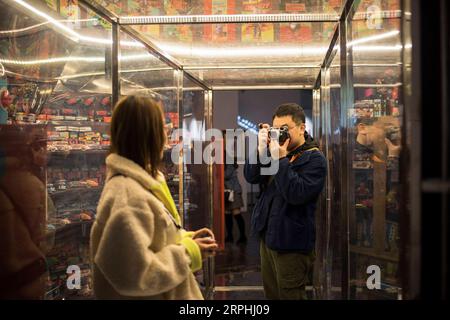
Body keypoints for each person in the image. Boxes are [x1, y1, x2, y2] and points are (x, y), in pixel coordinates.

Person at [90, 95, 218, 300]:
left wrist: (185, 239)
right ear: (151, 136)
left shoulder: (137, 185)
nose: (167, 133)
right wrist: (188, 252)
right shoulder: (129, 196)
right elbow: (133, 275)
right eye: (162, 127)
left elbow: (149, 242)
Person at [244, 103, 327, 300]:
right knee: (272, 294)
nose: (280, 135)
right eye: (276, 129)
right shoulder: (276, 152)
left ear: (301, 128)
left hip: (292, 243)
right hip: (269, 237)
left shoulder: (315, 159)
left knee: (290, 295)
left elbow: (296, 194)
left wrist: (280, 160)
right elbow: (251, 176)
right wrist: (260, 150)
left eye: (284, 129)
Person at [224, 158, 246, 245]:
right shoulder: (226, 165)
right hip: (228, 193)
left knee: (236, 213)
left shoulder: (229, 165)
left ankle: (243, 236)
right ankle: (230, 236)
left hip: (234, 192)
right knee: (227, 214)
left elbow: (225, 175)